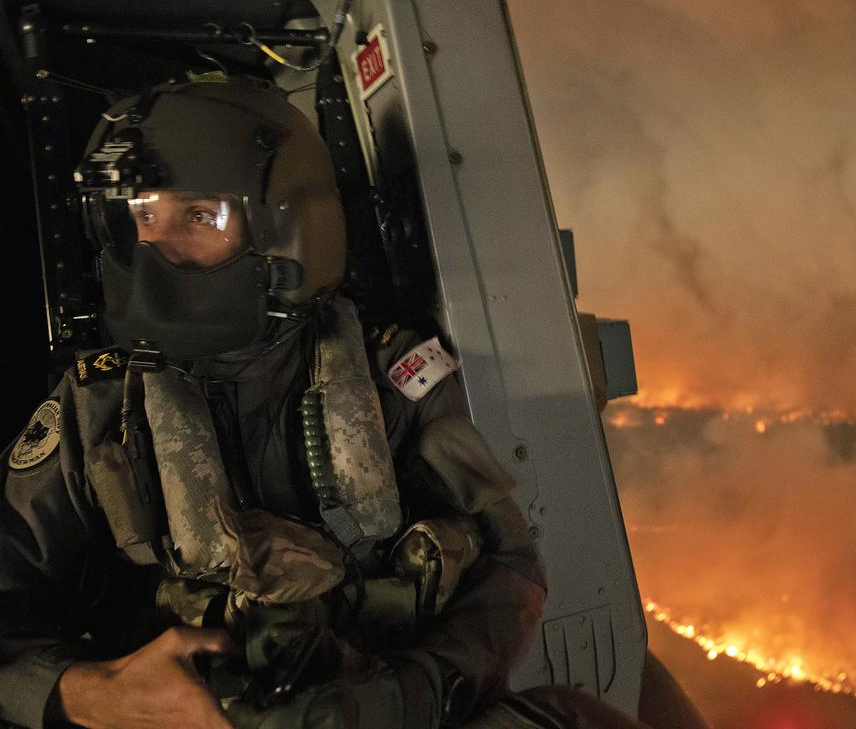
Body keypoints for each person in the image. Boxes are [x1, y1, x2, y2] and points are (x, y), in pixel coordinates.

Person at [0, 77, 548, 729]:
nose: (156, 248)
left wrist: (411, 692)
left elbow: (511, 567)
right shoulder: (100, 408)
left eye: (199, 216)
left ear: (288, 229)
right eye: (142, 215)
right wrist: (95, 694)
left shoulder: (391, 377)